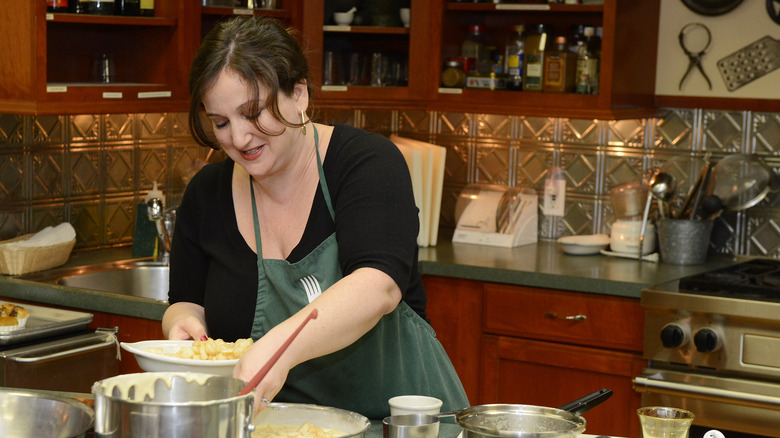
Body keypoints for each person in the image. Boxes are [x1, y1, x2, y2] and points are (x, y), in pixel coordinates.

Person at [161, 15, 469, 419]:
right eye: (221, 122)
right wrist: (182, 325)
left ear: (300, 93)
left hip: (400, 426)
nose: (238, 138)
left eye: (253, 113)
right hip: (276, 427)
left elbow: (379, 286)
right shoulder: (207, 194)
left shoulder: (366, 163)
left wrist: (280, 347)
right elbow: (186, 300)